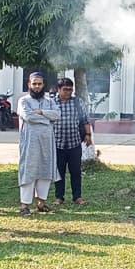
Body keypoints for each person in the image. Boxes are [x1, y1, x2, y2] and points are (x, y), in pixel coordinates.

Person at [18, 73, 61, 215]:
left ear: (43, 85)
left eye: (39, 84)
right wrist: (46, 119)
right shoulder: (23, 101)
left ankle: (41, 203)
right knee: (29, 170)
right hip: (30, 141)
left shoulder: (49, 101)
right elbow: (28, 116)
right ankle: (24, 205)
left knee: (45, 169)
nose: (37, 87)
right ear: (29, 84)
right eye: (34, 84)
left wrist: (42, 112)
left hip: (47, 141)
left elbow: (57, 115)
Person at [52, 76, 92, 206]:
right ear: (58, 89)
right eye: (65, 89)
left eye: (70, 89)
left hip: (74, 143)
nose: (68, 92)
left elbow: (85, 120)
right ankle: (59, 197)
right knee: (59, 172)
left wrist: (88, 135)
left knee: (76, 171)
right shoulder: (52, 103)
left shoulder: (77, 102)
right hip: (57, 144)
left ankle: (77, 197)